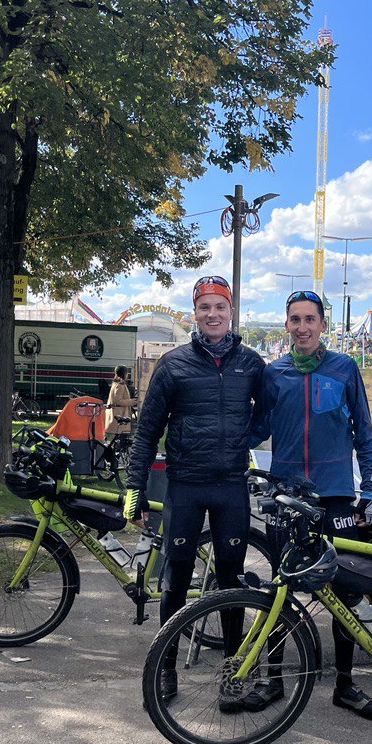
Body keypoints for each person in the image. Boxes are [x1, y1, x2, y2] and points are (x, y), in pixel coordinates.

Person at [123, 275, 264, 706]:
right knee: (175, 580)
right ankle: (165, 667)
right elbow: (146, 432)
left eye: (220, 306)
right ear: (195, 314)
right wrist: (135, 491)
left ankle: (233, 670)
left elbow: (270, 417)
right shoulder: (174, 363)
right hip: (184, 487)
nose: (213, 314)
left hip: (230, 488)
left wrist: (244, 439)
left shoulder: (251, 363)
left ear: (231, 311)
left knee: (231, 581)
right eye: (205, 307)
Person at [257, 289, 372, 719]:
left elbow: (364, 432)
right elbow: (254, 429)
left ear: (323, 325)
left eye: (310, 319)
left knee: (345, 592)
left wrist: (369, 489)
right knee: (279, 588)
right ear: (286, 325)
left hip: (335, 497)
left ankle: (345, 684)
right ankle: (272, 679)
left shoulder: (344, 368)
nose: (303, 327)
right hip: (288, 497)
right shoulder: (273, 374)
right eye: (295, 319)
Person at [108, 365, 137, 437]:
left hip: (117, 413)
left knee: (118, 437)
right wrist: (132, 402)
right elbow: (118, 401)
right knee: (122, 435)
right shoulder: (120, 385)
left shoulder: (115, 383)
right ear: (124, 374)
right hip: (120, 414)